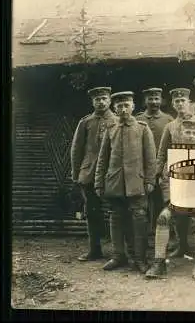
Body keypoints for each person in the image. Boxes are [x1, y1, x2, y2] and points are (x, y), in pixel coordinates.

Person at [95, 91, 157, 273]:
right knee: (115, 217)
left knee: (139, 218)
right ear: (115, 108)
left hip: (136, 182)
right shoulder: (110, 129)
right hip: (115, 182)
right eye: (119, 106)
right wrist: (99, 183)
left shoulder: (143, 129)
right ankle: (118, 256)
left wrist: (150, 180)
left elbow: (150, 158)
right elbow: (102, 159)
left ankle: (140, 259)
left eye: (126, 105)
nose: (123, 109)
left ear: (133, 107)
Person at [155, 88, 195, 260]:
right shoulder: (170, 126)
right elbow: (162, 152)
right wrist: (159, 173)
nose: (180, 104)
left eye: (183, 101)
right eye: (177, 101)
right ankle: (182, 246)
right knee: (177, 215)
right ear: (173, 105)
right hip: (176, 173)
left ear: (188, 102)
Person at [145, 118, 195, 279]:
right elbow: (165, 182)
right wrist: (171, 201)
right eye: (188, 132)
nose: (191, 136)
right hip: (176, 200)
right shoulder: (173, 157)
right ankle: (159, 262)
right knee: (162, 218)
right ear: (181, 134)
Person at [70, 86, 117, 262]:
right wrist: (77, 175)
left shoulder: (118, 120)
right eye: (97, 99)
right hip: (89, 173)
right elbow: (76, 150)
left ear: (110, 100)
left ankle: (119, 251)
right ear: (92, 102)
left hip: (112, 173)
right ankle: (94, 249)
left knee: (117, 211)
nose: (101, 102)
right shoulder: (86, 122)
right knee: (91, 211)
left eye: (104, 98)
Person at [136, 87, 174, 234]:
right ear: (145, 101)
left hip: (162, 167)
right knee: (143, 201)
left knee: (160, 200)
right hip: (142, 167)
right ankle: (144, 234)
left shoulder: (168, 120)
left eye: (156, 98)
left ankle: (161, 232)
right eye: (150, 99)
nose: (153, 102)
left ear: (161, 100)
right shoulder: (138, 119)